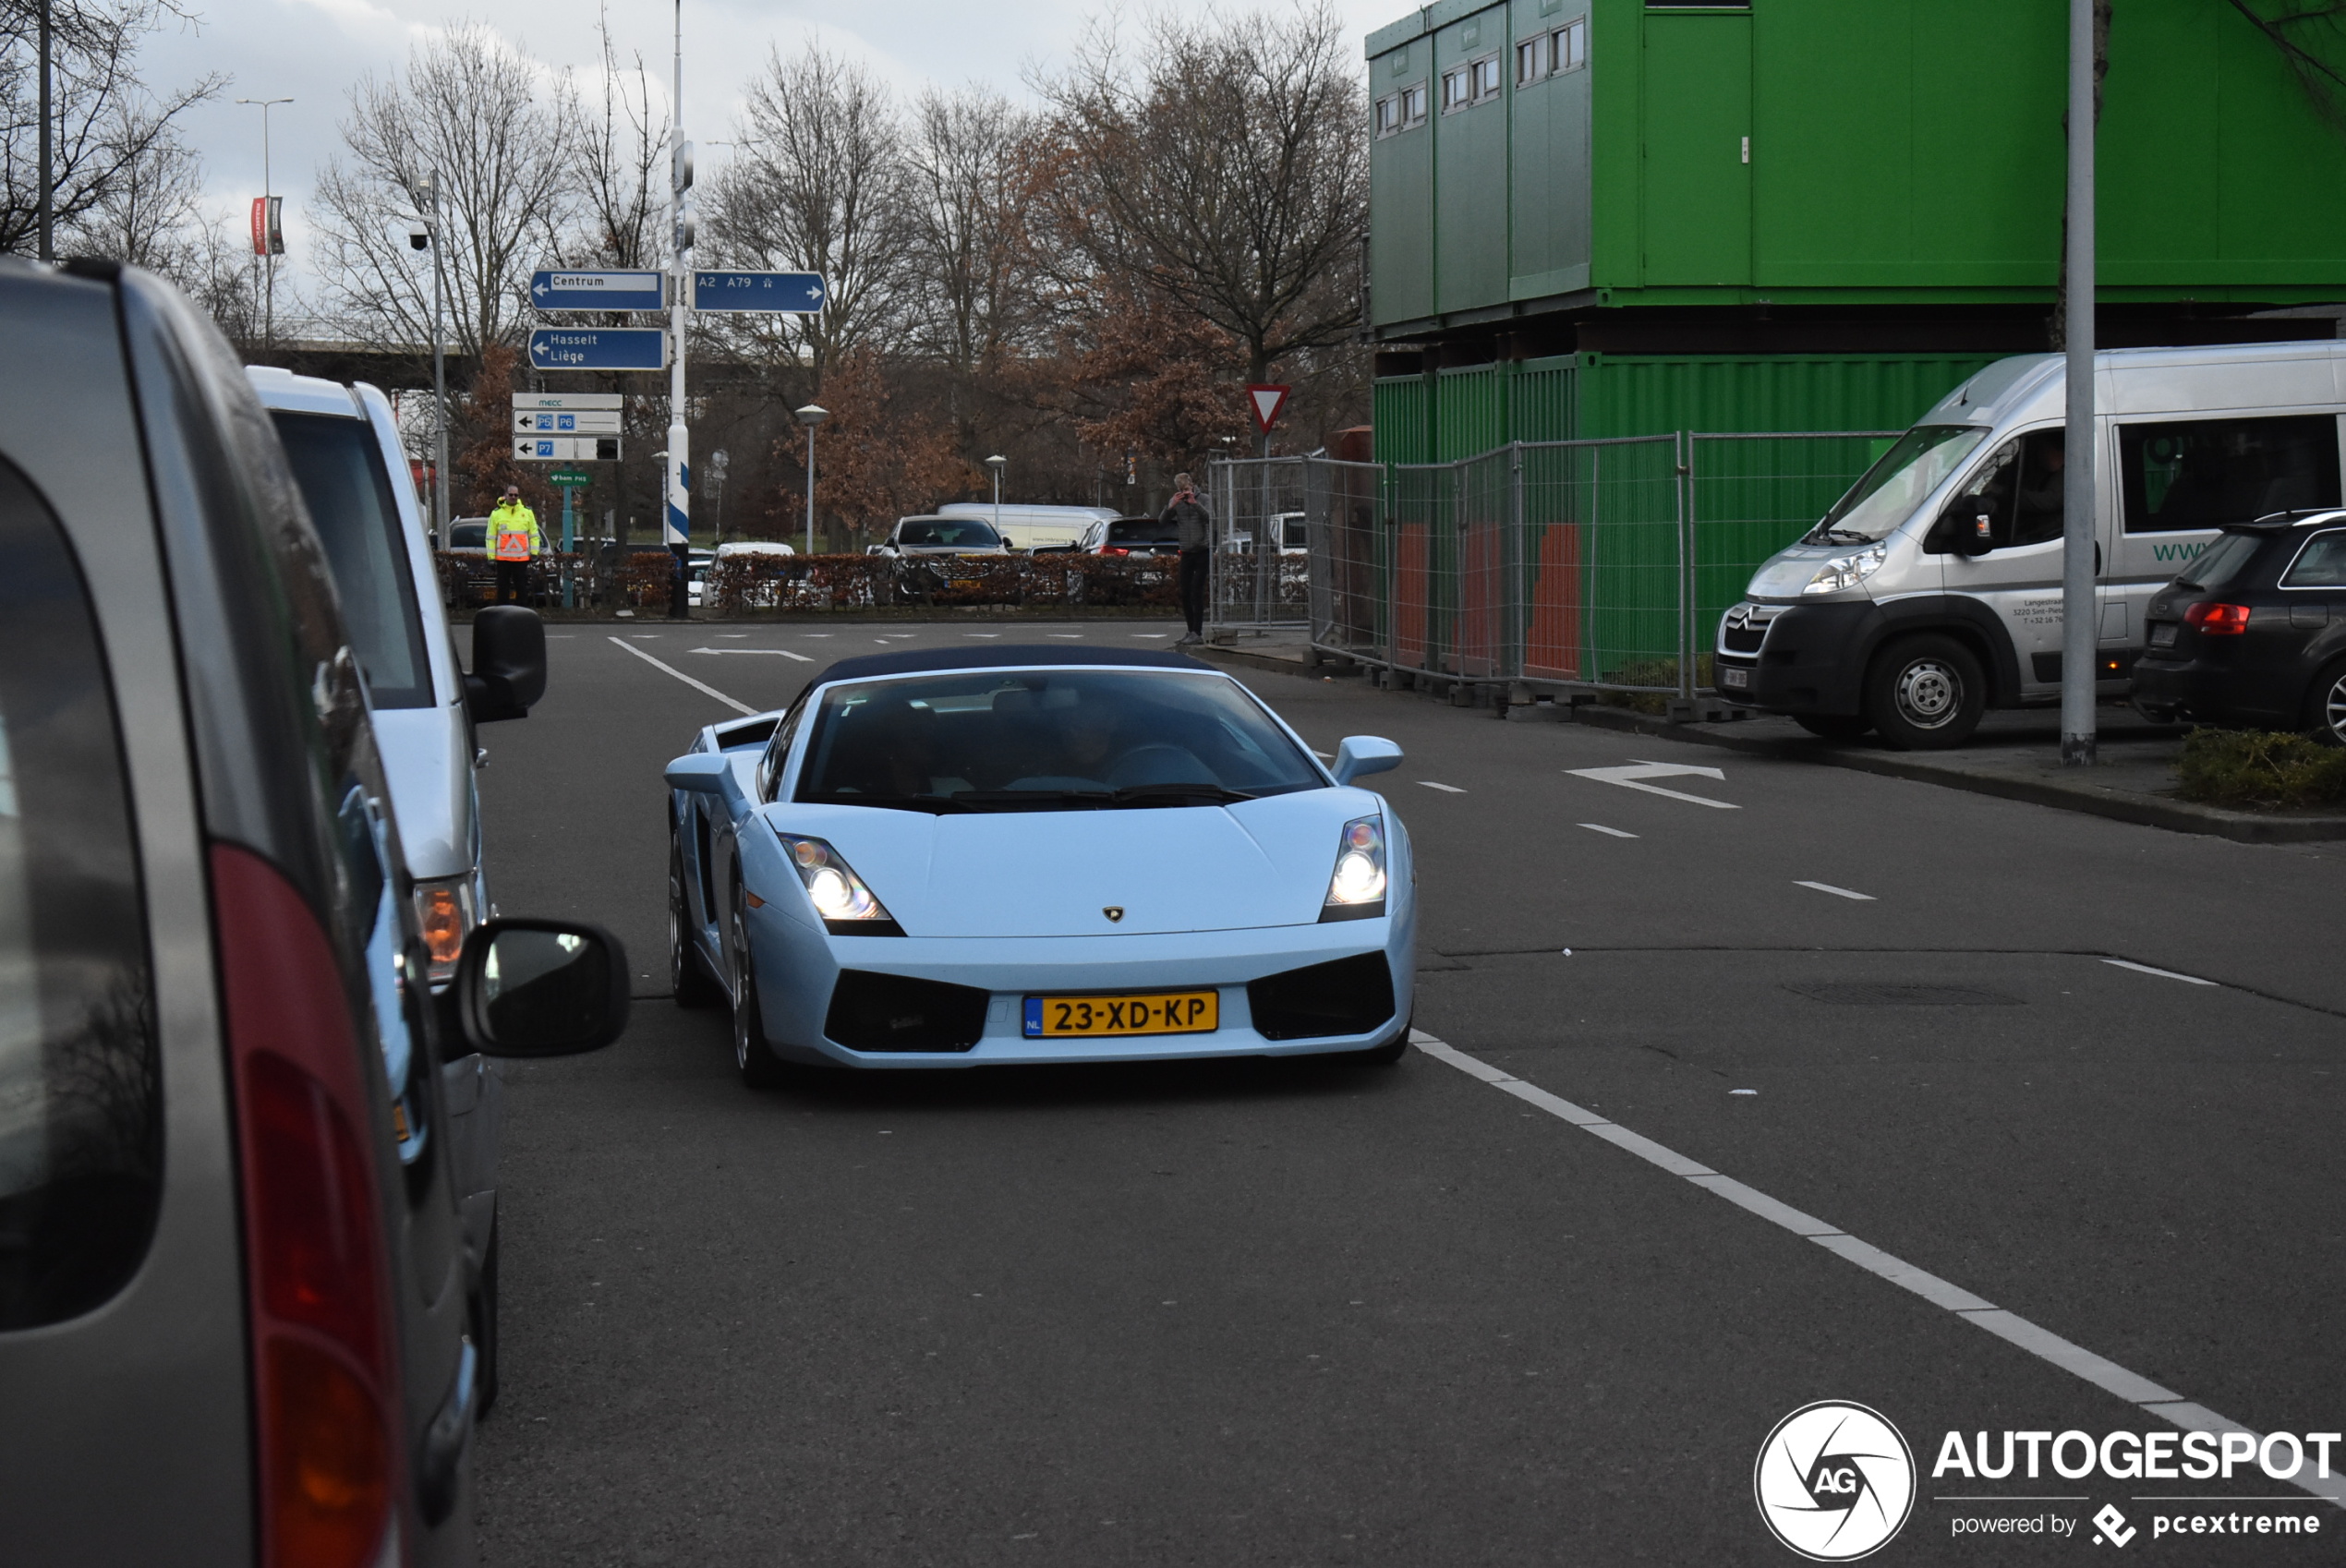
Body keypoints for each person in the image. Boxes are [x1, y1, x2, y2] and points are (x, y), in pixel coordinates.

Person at [1164, 472, 1212, 645]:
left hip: (1202, 550)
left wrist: (1195, 503)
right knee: (1185, 592)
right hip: (1186, 551)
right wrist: (1171, 506)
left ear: (1192, 485)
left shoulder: (1204, 498)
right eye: (1181, 490)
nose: (1184, 492)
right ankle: (1190, 629)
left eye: (1186, 489)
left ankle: (1197, 631)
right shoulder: (1178, 503)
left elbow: (1211, 518)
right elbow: (1163, 521)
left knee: (1196, 591)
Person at [489, 485, 541, 605]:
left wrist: (534, 553)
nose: (513, 497)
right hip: (503, 559)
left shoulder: (527, 513)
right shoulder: (496, 514)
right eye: (511, 494)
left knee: (521, 588)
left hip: (521, 559)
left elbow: (534, 534)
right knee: (503, 589)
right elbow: (491, 537)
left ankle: (521, 614)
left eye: (516, 495)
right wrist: (491, 558)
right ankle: (502, 613)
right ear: (505, 495)